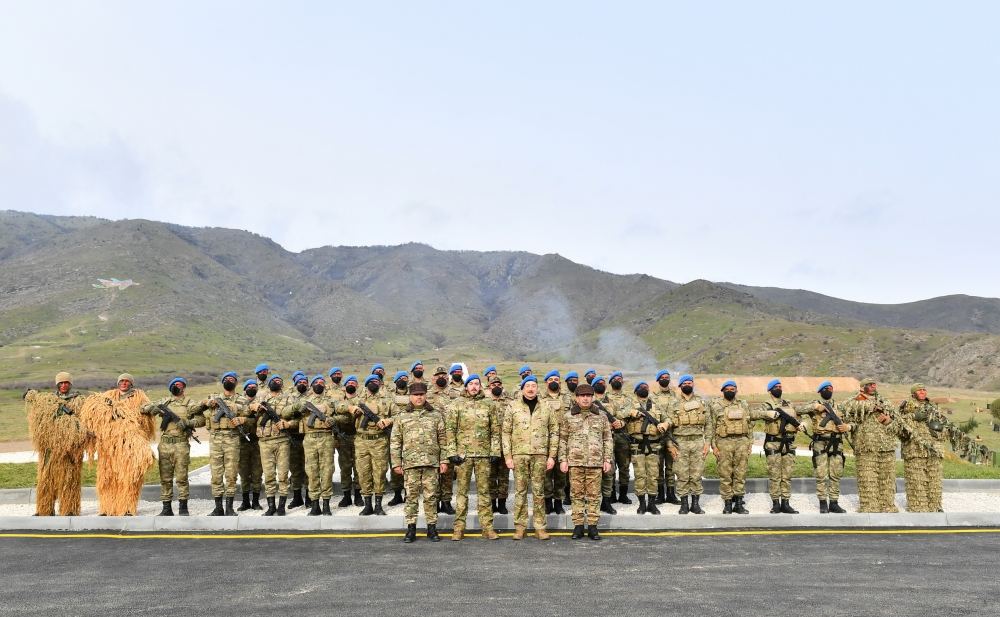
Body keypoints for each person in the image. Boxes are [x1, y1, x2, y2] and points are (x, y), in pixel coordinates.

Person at [78, 373, 155, 516]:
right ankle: (107, 508)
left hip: (128, 445)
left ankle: (127, 508)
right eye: (122, 381)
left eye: (127, 381)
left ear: (131, 384)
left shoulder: (139, 397)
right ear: (118, 383)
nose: (124, 383)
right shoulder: (108, 396)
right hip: (108, 444)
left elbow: (146, 420)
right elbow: (94, 413)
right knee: (107, 477)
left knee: (129, 477)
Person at [23, 372, 92, 516]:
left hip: (71, 447)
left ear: (70, 384)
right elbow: (37, 407)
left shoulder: (79, 400)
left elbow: (86, 420)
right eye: (61, 383)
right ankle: (44, 510)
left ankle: (69, 510)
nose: (63, 385)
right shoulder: (49, 400)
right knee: (46, 479)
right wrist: (30, 396)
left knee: (70, 479)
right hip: (50, 447)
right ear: (57, 385)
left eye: (66, 383)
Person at [391, 382, 451, 543]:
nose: (419, 397)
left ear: (426, 395)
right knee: (411, 497)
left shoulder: (436, 415)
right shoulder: (402, 416)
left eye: (422, 394)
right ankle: (411, 529)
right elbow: (395, 441)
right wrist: (396, 463)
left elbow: (443, 440)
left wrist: (444, 460)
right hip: (410, 464)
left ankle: (432, 528)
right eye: (416, 395)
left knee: (431, 497)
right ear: (410, 396)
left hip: (431, 463)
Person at [502, 375, 558, 540]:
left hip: (540, 455)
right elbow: (505, 432)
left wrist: (552, 456)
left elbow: (554, 432)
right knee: (520, 492)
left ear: (537, 388)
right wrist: (508, 456)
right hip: (519, 455)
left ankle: (540, 527)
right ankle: (520, 527)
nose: (531, 388)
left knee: (539, 492)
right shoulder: (512, 406)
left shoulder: (546, 407)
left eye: (534, 385)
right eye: (528, 386)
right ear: (522, 388)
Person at [710, 380, 777, 514]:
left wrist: (750, 443)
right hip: (723, 443)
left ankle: (739, 503)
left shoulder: (743, 404)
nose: (730, 391)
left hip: (742, 443)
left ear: (736, 390)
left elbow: (749, 424)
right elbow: (711, 427)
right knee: (725, 474)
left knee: (740, 474)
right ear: (722, 390)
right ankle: (728, 504)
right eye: (727, 389)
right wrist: (714, 446)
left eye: (733, 388)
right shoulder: (715, 405)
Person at [447, 374, 501, 541]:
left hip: (483, 456)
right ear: (466, 386)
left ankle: (487, 528)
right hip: (463, 456)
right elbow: (450, 430)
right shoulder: (457, 404)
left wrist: (495, 451)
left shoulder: (489, 404)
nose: (474, 387)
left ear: (480, 386)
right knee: (462, 493)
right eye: (471, 384)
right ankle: (459, 528)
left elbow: (495, 430)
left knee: (484, 492)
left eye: (477, 384)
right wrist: (451, 452)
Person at [140, 377, 201, 516]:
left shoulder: (190, 403)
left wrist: (187, 423)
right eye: (175, 385)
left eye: (180, 385)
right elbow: (143, 408)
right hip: (165, 444)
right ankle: (166, 508)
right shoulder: (164, 401)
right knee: (165, 478)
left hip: (181, 444)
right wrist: (154, 409)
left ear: (184, 387)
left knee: (181, 477)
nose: (177, 387)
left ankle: (183, 507)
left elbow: (201, 420)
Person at [559, 383, 612, 540]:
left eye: (588, 396)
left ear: (593, 397)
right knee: (576, 495)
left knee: (594, 495)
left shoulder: (601, 416)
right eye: (582, 396)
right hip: (575, 462)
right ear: (576, 398)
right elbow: (562, 439)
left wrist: (607, 459)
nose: (585, 399)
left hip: (595, 462)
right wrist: (563, 459)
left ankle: (593, 527)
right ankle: (578, 526)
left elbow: (607, 439)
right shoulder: (568, 416)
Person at [196, 371, 251, 516]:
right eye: (226, 379)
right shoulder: (213, 398)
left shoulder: (242, 400)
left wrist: (243, 420)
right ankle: (218, 507)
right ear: (222, 382)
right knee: (216, 474)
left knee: (231, 474)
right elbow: (194, 410)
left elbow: (251, 419)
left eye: (232, 379)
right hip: (215, 438)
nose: (229, 381)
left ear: (236, 383)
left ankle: (229, 507)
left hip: (232, 438)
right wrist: (205, 403)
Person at [842, 378, 899, 513]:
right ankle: (869, 506)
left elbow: (897, 422)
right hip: (866, 444)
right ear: (862, 387)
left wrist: (889, 420)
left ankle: (887, 505)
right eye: (870, 385)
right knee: (867, 478)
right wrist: (868, 407)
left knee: (887, 479)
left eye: (874, 384)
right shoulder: (855, 401)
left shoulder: (885, 402)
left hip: (886, 446)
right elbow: (845, 408)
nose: (874, 386)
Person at [796, 381, 850, 513]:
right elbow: (798, 409)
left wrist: (848, 426)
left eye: (830, 388)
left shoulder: (839, 406)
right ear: (821, 391)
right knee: (821, 474)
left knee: (835, 474)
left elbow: (850, 420)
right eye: (826, 389)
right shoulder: (814, 404)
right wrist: (816, 406)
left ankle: (834, 502)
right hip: (820, 442)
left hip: (837, 443)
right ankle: (822, 503)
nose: (829, 390)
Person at [898, 383, 947, 512]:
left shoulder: (933, 407)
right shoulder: (907, 405)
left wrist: (940, 429)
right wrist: (914, 416)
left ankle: (935, 505)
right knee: (916, 477)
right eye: (919, 390)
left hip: (934, 447)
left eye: (924, 390)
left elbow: (944, 422)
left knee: (934, 477)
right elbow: (898, 421)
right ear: (913, 393)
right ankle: (918, 506)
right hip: (915, 447)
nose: (922, 392)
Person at [668, 375, 711, 515]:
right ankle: (684, 504)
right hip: (680, 442)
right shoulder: (673, 403)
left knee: (697, 473)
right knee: (682, 474)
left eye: (690, 382)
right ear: (680, 386)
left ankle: (696, 504)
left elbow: (709, 424)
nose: (687, 384)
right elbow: (667, 426)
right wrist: (670, 445)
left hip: (698, 442)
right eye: (685, 383)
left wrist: (708, 443)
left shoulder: (701, 401)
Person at [626, 381, 670, 514]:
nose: (644, 389)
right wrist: (631, 412)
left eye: (646, 387)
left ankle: (652, 503)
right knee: (640, 476)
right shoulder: (630, 403)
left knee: (653, 476)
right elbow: (619, 414)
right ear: (636, 390)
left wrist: (665, 424)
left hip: (654, 444)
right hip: (637, 445)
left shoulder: (656, 405)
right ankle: (642, 504)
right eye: (641, 387)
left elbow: (668, 418)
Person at [757, 379, 801, 514]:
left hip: (788, 443)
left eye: (780, 386)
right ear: (770, 390)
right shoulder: (766, 405)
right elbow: (755, 414)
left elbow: (797, 416)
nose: (779, 388)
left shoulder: (788, 403)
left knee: (787, 475)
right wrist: (767, 414)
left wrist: (802, 423)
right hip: (773, 443)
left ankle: (786, 503)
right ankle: (775, 503)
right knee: (774, 475)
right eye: (776, 387)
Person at [237, 379, 263, 511]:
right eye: (250, 386)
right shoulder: (238, 403)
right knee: (243, 472)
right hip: (242, 442)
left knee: (257, 473)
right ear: (245, 389)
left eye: (255, 387)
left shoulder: (261, 403)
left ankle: (256, 502)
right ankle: (245, 501)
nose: (252, 388)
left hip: (257, 441)